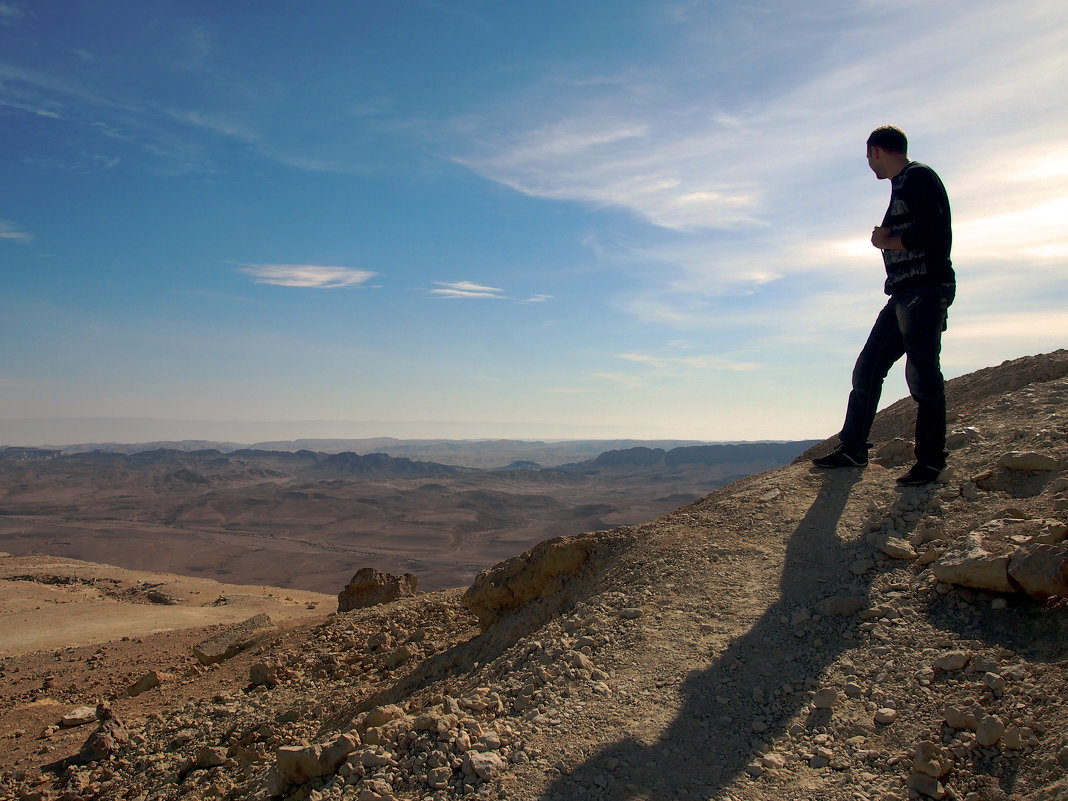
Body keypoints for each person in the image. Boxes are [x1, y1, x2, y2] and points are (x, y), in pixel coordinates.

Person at [813, 125, 955, 486]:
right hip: (904, 293)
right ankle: (853, 448)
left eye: (867, 156)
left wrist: (888, 240)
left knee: (922, 376)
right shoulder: (904, 183)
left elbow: (937, 236)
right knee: (868, 368)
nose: (868, 164)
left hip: (924, 289)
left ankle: (931, 462)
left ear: (877, 151)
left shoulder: (918, 177)